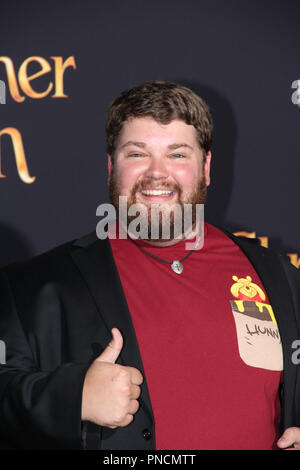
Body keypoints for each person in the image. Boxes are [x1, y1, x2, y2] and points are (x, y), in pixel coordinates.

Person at [0, 81, 300, 450]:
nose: (157, 174)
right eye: (137, 154)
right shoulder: (33, 286)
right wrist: (71, 398)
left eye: (177, 154)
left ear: (206, 167)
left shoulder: (276, 275)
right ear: (111, 166)